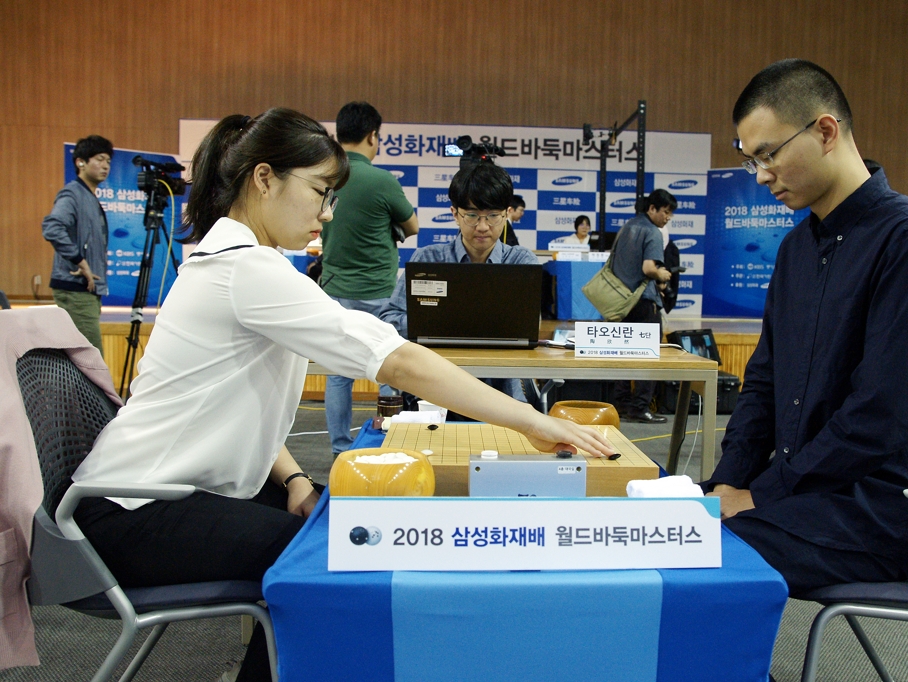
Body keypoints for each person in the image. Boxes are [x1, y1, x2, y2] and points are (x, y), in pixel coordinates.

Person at [70, 109, 614, 682]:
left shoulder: (240, 262)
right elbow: (397, 359)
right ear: (264, 179)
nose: (327, 214)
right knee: (337, 554)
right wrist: (531, 421)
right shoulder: (245, 269)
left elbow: (243, 406)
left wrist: (295, 479)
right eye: (320, 193)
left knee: (337, 521)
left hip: (156, 494)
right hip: (130, 509)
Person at [705, 59, 908, 593]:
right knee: (660, 524)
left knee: (697, 554)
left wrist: (763, 494)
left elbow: (882, 415)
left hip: (873, 511)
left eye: (768, 154)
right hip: (802, 492)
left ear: (825, 131)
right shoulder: (796, 249)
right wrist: (729, 480)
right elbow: (764, 381)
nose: (761, 176)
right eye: (751, 160)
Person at [380, 162, 537, 401]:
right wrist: (437, 324)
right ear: (455, 214)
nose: (482, 227)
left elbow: (528, 327)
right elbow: (388, 321)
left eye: (493, 216)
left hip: (501, 386)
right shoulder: (428, 260)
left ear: (506, 214)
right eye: (472, 215)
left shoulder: (521, 262)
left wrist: (446, 323)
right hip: (433, 386)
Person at [320, 101, 419, 453]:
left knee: (337, 375)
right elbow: (413, 226)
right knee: (390, 369)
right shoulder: (381, 180)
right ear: (373, 136)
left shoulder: (326, 177)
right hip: (379, 290)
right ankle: (390, 441)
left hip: (333, 289)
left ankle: (340, 448)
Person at [41, 135, 113, 356]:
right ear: (80, 162)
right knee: (90, 359)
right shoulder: (73, 193)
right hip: (75, 288)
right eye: (99, 159)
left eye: (108, 161)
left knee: (81, 359)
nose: (105, 165)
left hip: (87, 291)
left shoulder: (88, 196)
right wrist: (80, 261)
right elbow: (52, 227)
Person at [609, 189, 674, 424]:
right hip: (644, 302)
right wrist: (662, 274)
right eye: (665, 212)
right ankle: (640, 407)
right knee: (648, 355)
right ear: (652, 209)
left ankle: (621, 403)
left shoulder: (627, 227)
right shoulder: (652, 232)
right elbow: (648, 268)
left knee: (622, 354)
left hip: (621, 302)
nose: (668, 218)